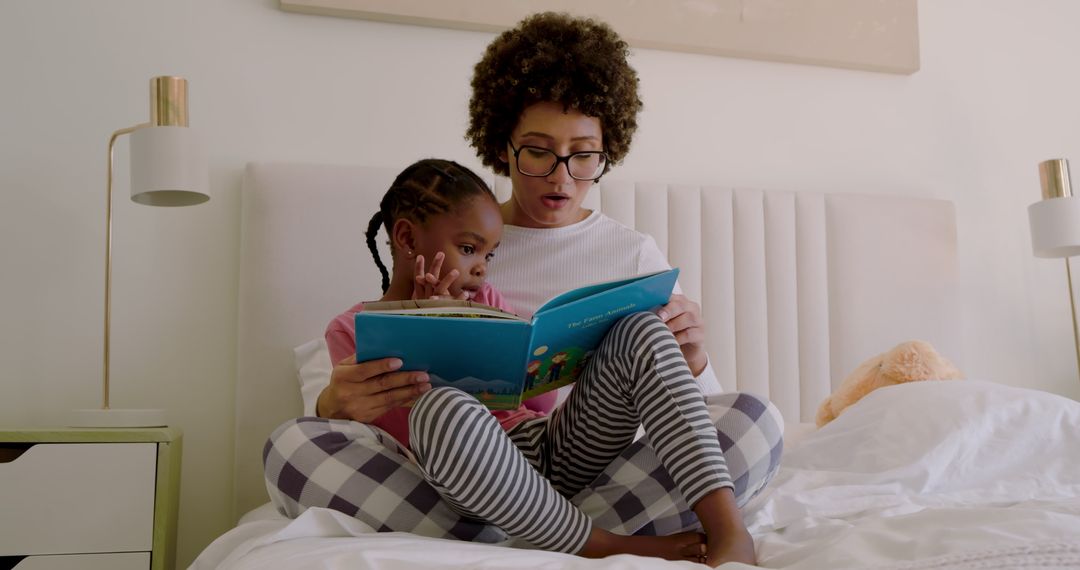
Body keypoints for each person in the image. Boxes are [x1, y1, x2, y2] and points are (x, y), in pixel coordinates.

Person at [264, 12, 784, 567]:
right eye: (538, 151)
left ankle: (722, 532)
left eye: (583, 154)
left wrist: (695, 360)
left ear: (607, 150)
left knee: (754, 421)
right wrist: (333, 403)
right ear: (503, 145)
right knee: (291, 449)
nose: (561, 176)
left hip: (569, 457)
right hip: (452, 480)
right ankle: (592, 541)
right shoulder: (459, 229)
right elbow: (355, 427)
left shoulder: (629, 254)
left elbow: (688, 409)